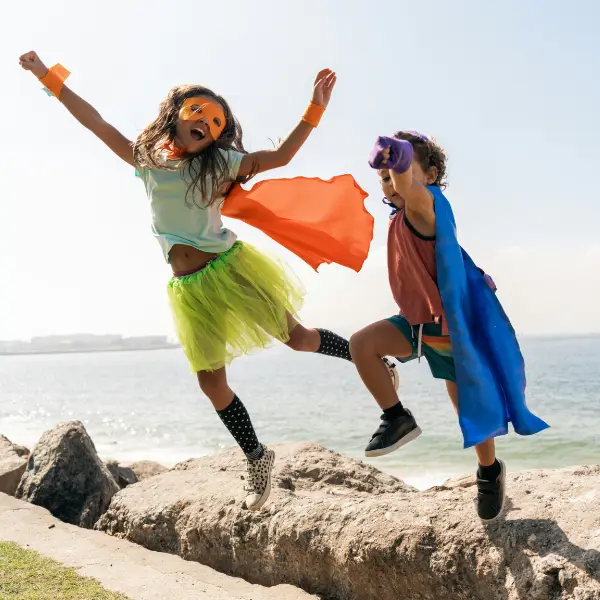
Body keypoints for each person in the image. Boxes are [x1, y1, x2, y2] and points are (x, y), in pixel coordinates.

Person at [19, 50, 396, 511]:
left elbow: (280, 155)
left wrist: (314, 106)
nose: (207, 123)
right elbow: (94, 121)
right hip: (190, 290)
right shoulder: (146, 160)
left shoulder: (221, 165)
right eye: (198, 112)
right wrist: (47, 76)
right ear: (175, 117)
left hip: (229, 268)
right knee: (211, 384)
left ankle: (369, 358)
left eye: (217, 121)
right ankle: (258, 458)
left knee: (296, 338)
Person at [350, 131, 548, 521]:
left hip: (453, 330)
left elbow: (409, 185)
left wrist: (397, 157)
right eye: (384, 180)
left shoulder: (425, 205)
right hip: (419, 324)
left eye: (398, 175)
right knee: (362, 345)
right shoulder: (402, 213)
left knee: (470, 410)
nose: (391, 185)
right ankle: (397, 417)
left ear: (432, 173)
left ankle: (489, 473)